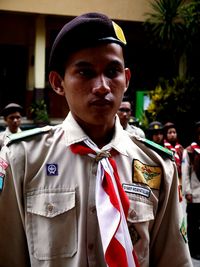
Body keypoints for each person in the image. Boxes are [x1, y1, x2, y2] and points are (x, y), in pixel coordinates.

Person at [0, 12, 192, 267]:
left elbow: (173, 261)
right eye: (85, 72)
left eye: (112, 71)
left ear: (127, 80)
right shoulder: (23, 159)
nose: (102, 86)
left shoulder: (158, 165)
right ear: (58, 83)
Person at [182, 121, 200, 265]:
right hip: (194, 193)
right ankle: (193, 249)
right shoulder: (189, 150)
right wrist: (187, 191)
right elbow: (185, 172)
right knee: (193, 224)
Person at [163, 122, 184, 201]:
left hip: (179, 177)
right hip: (169, 176)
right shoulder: (163, 147)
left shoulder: (180, 148)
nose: (172, 135)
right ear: (166, 134)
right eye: (170, 133)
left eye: (174, 132)